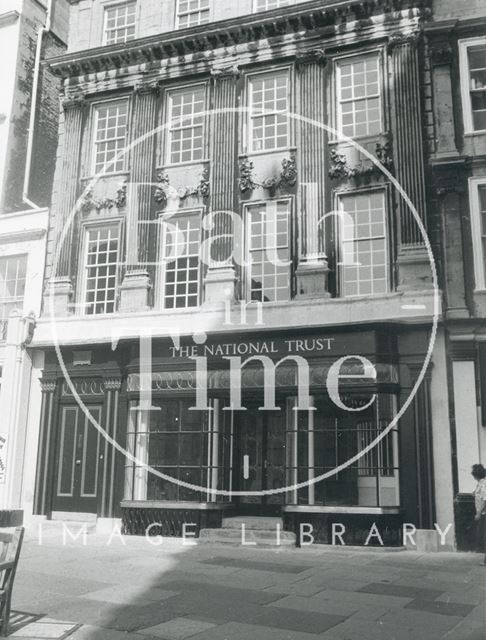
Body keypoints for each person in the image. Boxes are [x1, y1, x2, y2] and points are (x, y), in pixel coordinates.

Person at [472, 463, 486, 565]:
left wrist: (478, 513)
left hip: (484, 514)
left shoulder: (484, 484)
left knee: (484, 536)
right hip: (483, 513)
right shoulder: (481, 484)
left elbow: (485, 500)